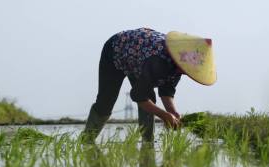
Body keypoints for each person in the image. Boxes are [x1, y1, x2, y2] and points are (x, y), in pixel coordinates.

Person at [81, 28, 216, 143]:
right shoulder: (159, 62)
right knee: (106, 101)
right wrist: (164, 116)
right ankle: (86, 141)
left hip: (139, 58)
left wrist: (172, 112)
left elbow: (166, 91)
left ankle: (147, 142)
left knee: (149, 96)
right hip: (116, 50)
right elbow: (139, 96)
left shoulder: (179, 65)